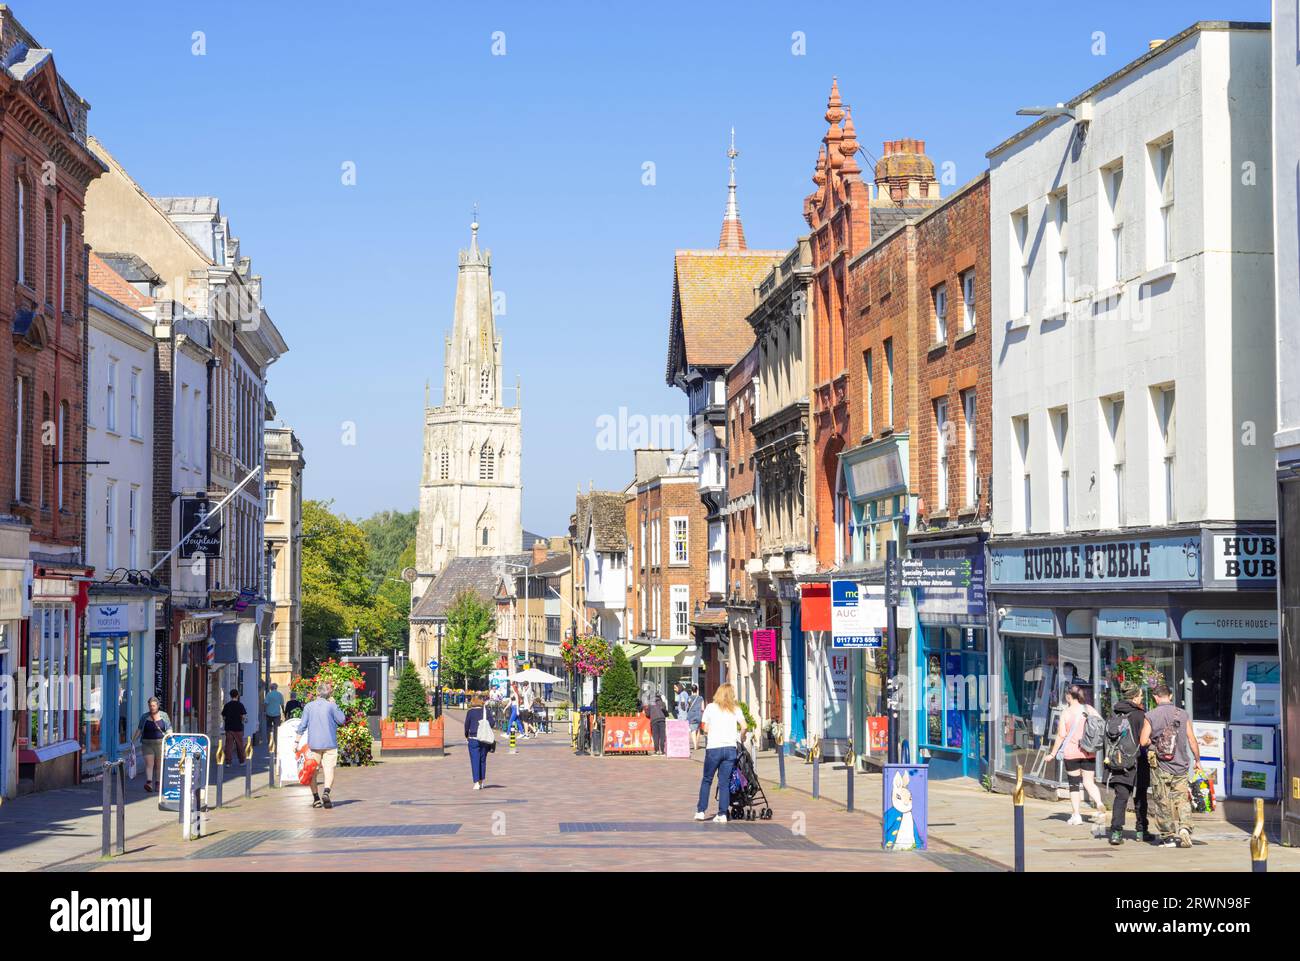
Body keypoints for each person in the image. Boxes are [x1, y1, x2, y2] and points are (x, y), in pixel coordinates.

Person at [1140, 684, 1200, 848]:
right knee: (1182, 799)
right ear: (1170, 696)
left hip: (1161, 766)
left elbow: (1143, 741)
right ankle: (1185, 827)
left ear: (1155, 697)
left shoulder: (1151, 715)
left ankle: (1168, 836)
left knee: (1162, 800)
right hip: (1181, 765)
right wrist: (1197, 760)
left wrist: (1154, 743)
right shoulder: (1182, 714)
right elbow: (1192, 739)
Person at [1045, 684, 1106, 826]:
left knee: (1074, 785)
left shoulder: (1066, 712)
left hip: (1071, 753)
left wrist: (1053, 753)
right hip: (1088, 752)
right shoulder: (1089, 709)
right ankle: (1099, 803)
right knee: (1089, 782)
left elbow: (1061, 735)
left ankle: (1076, 815)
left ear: (1068, 696)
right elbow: (1101, 724)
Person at [694, 683, 747, 823]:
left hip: (714, 748)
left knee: (707, 779)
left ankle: (701, 811)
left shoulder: (711, 707)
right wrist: (742, 737)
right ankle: (722, 813)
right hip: (730, 749)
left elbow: (704, 728)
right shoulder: (735, 709)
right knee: (724, 782)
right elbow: (744, 726)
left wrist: (713, 731)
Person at [1105, 682, 1149, 845]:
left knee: (1121, 797)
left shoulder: (1114, 714)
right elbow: (1144, 741)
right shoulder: (1139, 715)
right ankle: (1141, 831)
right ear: (1136, 697)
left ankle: (1116, 832)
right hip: (1137, 761)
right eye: (1141, 696)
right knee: (1140, 797)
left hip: (1117, 761)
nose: (1142, 698)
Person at [297, 681, 347, 809]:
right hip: (330, 743)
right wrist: (335, 705)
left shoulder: (308, 706)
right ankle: (326, 792)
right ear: (328, 693)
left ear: (317, 693)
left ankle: (316, 799)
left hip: (314, 744)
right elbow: (341, 720)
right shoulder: (331, 706)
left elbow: (302, 725)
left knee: (312, 771)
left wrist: (296, 741)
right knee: (329, 769)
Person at [131, 696, 170, 792]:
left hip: (160, 744)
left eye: (153, 705)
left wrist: (170, 737)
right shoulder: (144, 716)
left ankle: (158, 783)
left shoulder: (164, 715)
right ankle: (149, 783)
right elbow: (139, 729)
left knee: (159, 764)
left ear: (157, 706)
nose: (152, 707)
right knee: (149, 764)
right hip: (147, 743)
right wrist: (133, 740)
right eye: (150, 706)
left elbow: (169, 728)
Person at [465, 695, 494, 789]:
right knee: (482, 760)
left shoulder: (470, 712)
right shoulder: (486, 711)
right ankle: (481, 781)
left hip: (473, 738)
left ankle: (476, 782)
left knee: (475, 760)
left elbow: (466, 725)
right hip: (484, 739)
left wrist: (466, 735)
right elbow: (492, 723)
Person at [221, 689, 247, 767]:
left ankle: (228, 762)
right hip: (238, 728)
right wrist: (243, 721)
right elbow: (243, 716)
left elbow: (223, 715)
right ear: (237, 695)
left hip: (229, 728)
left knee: (228, 745)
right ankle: (242, 761)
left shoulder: (227, 705)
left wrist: (226, 720)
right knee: (240, 745)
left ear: (230, 695)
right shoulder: (240, 705)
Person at [264, 682, 285, 754]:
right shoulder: (279, 694)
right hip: (276, 714)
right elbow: (282, 704)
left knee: (268, 728)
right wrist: (284, 712)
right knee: (277, 728)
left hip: (269, 713)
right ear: (276, 688)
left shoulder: (268, 694)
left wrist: (264, 711)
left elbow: (266, 703)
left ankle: (269, 740)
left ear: (270, 688)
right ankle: (276, 740)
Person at [686, 684, 705, 751]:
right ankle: (696, 744)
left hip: (691, 715)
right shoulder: (701, 698)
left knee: (693, 730)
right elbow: (703, 708)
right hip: (698, 715)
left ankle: (695, 746)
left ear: (691, 690)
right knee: (698, 729)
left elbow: (687, 707)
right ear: (697, 690)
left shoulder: (689, 698)